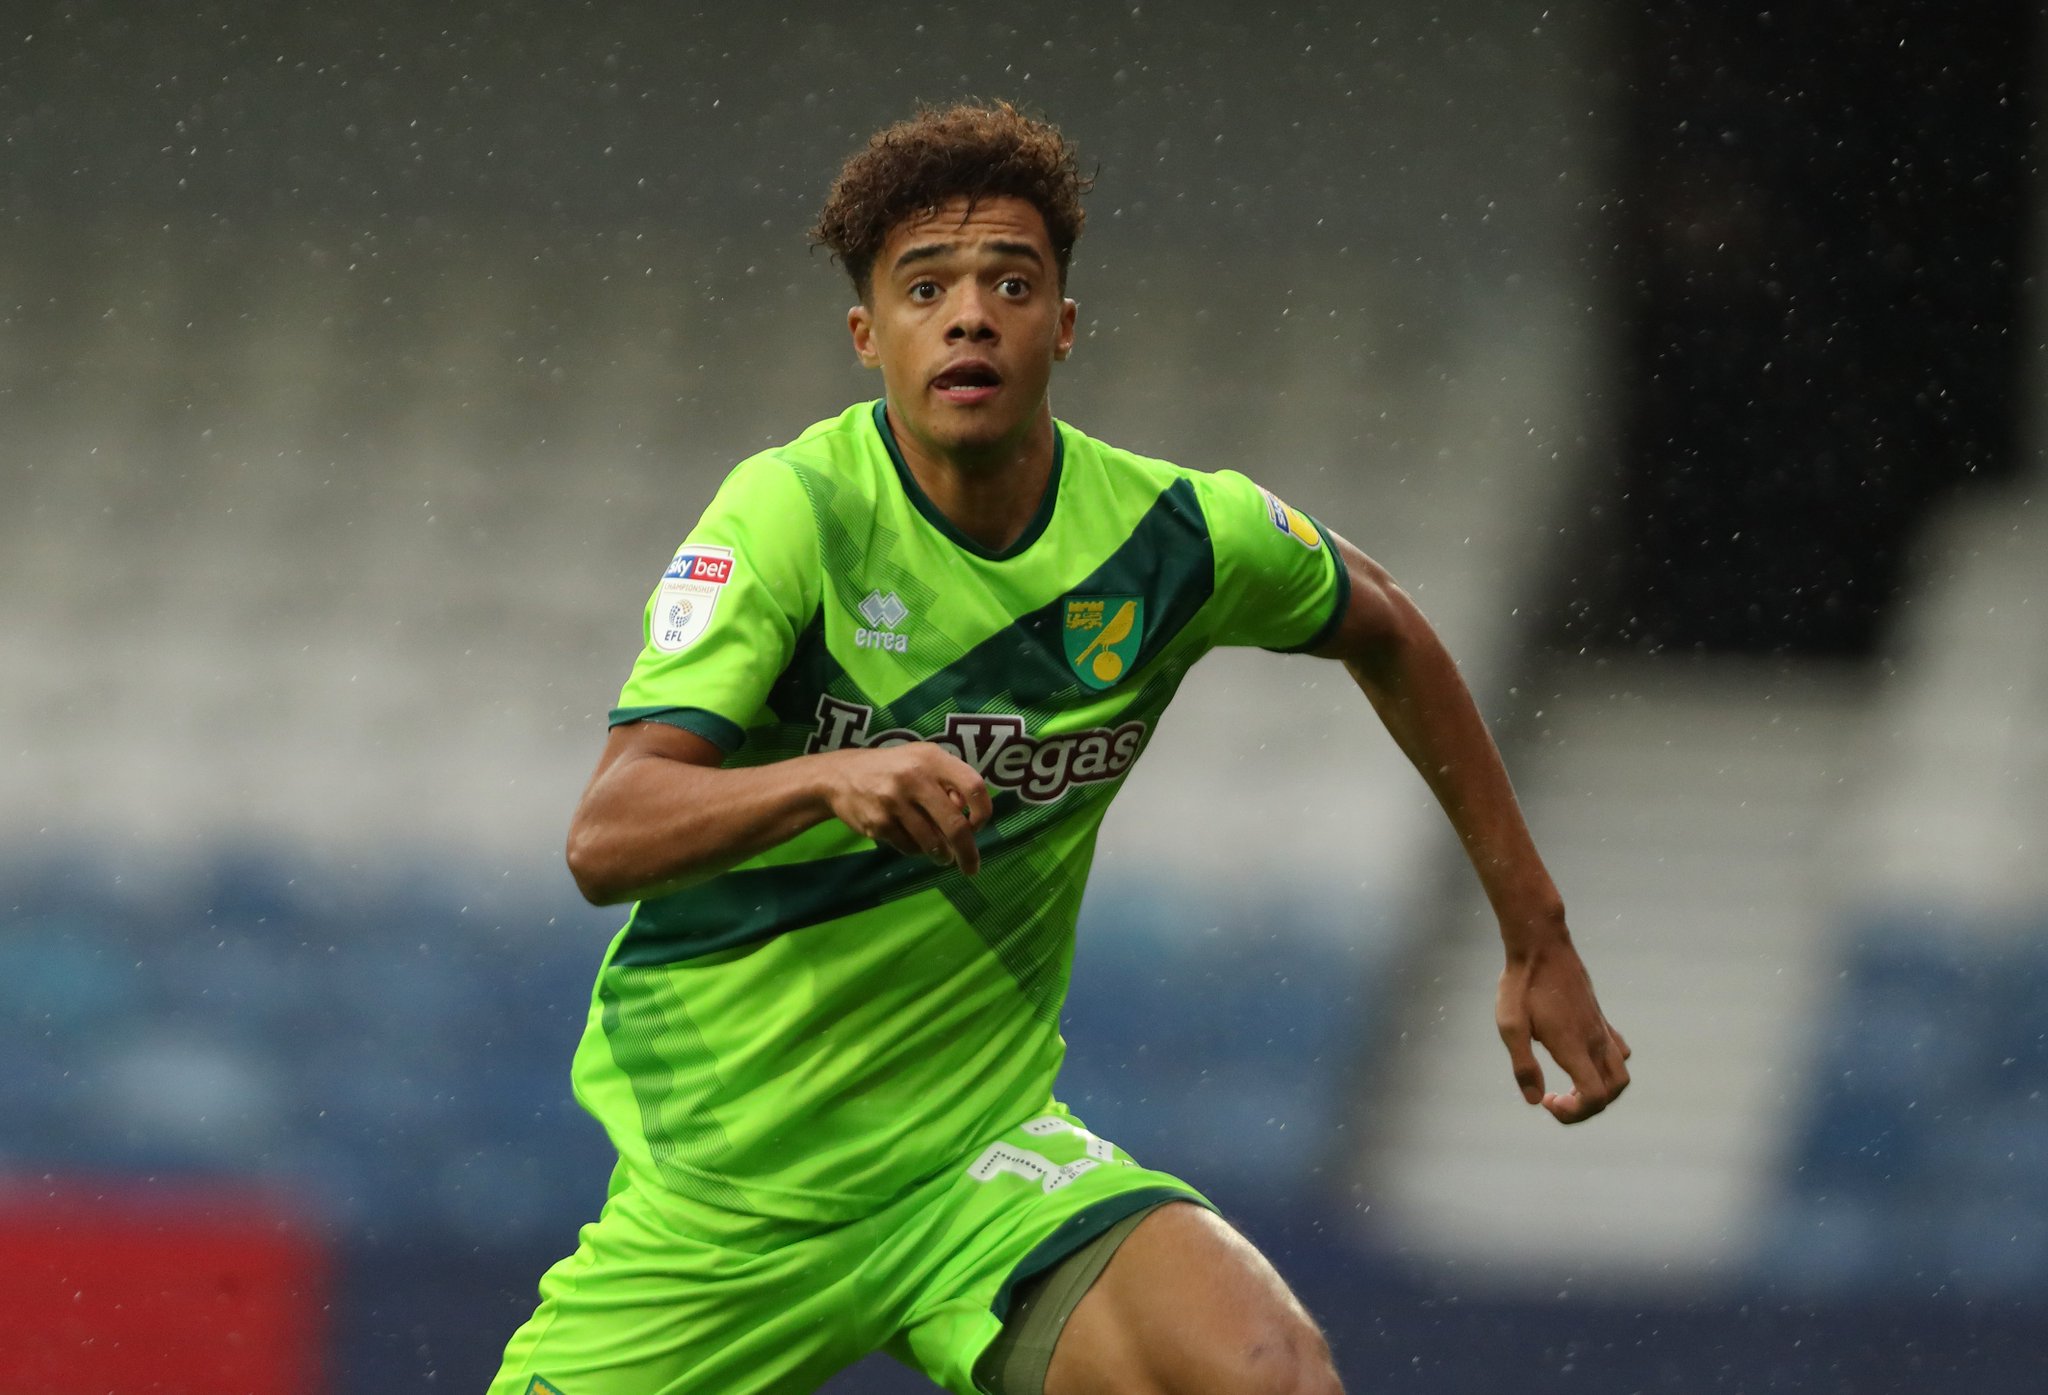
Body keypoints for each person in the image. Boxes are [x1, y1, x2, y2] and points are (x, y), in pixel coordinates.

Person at [488, 101, 1629, 1395]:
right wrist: (828, 776)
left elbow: (1391, 627)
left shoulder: (1171, 537)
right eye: (927, 288)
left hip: (974, 1165)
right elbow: (607, 837)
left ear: (1065, 326)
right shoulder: (790, 514)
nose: (971, 317)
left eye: (1012, 284)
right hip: (729, 1192)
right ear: (869, 336)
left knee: (1270, 1374)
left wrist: (1534, 929)